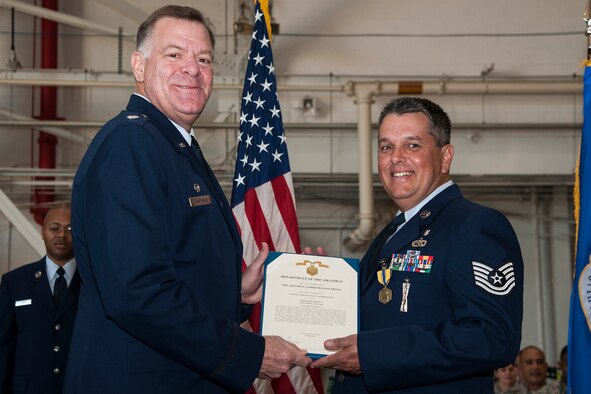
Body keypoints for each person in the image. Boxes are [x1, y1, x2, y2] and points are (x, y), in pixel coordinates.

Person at [64, 5, 310, 394]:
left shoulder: (172, 147)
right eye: (174, 54)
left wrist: (237, 293)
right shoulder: (131, 144)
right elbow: (138, 292)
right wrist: (245, 352)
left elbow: (174, 270)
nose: (192, 69)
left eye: (203, 59)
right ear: (139, 66)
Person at [312, 97, 524, 393]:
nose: (396, 158)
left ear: (446, 156)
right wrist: (317, 288)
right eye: (386, 147)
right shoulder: (392, 232)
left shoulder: (475, 225)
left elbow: (492, 337)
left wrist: (375, 354)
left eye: (412, 145)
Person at [0, 205, 79, 394]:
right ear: (43, 232)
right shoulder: (14, 282)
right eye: (54, 228)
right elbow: (3, 347)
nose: (62, 234)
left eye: (70, 229)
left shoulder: (92, 284)